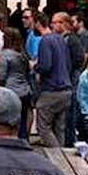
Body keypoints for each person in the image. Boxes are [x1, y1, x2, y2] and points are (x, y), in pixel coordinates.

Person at [33, 12, 72, 148]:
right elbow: (68, 64)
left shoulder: (45, 40)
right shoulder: (61, 39)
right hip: (66, 89)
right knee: (59, 128)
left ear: (38, 24)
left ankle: (57, 154)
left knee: (43, 127)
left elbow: (45, 66)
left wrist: (35, 67)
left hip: (52, 89)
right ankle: (62, 157)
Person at [54, 12, 88, 147]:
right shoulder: (61, 39)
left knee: (69, 118)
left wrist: (65, 69)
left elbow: (79, 60)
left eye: (55, 22)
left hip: (71, 83)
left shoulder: (72, 40)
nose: (52, 25)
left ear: (64, 24)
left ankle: (69, 144)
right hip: (64, 83)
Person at [0, 28, 34, 141]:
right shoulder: (23, 54)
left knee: (11, 121)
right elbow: (27, 72)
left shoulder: (5, 55)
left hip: (10, 91)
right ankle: (24, 140)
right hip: (25, 90)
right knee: (23, 120)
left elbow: (1, 76)